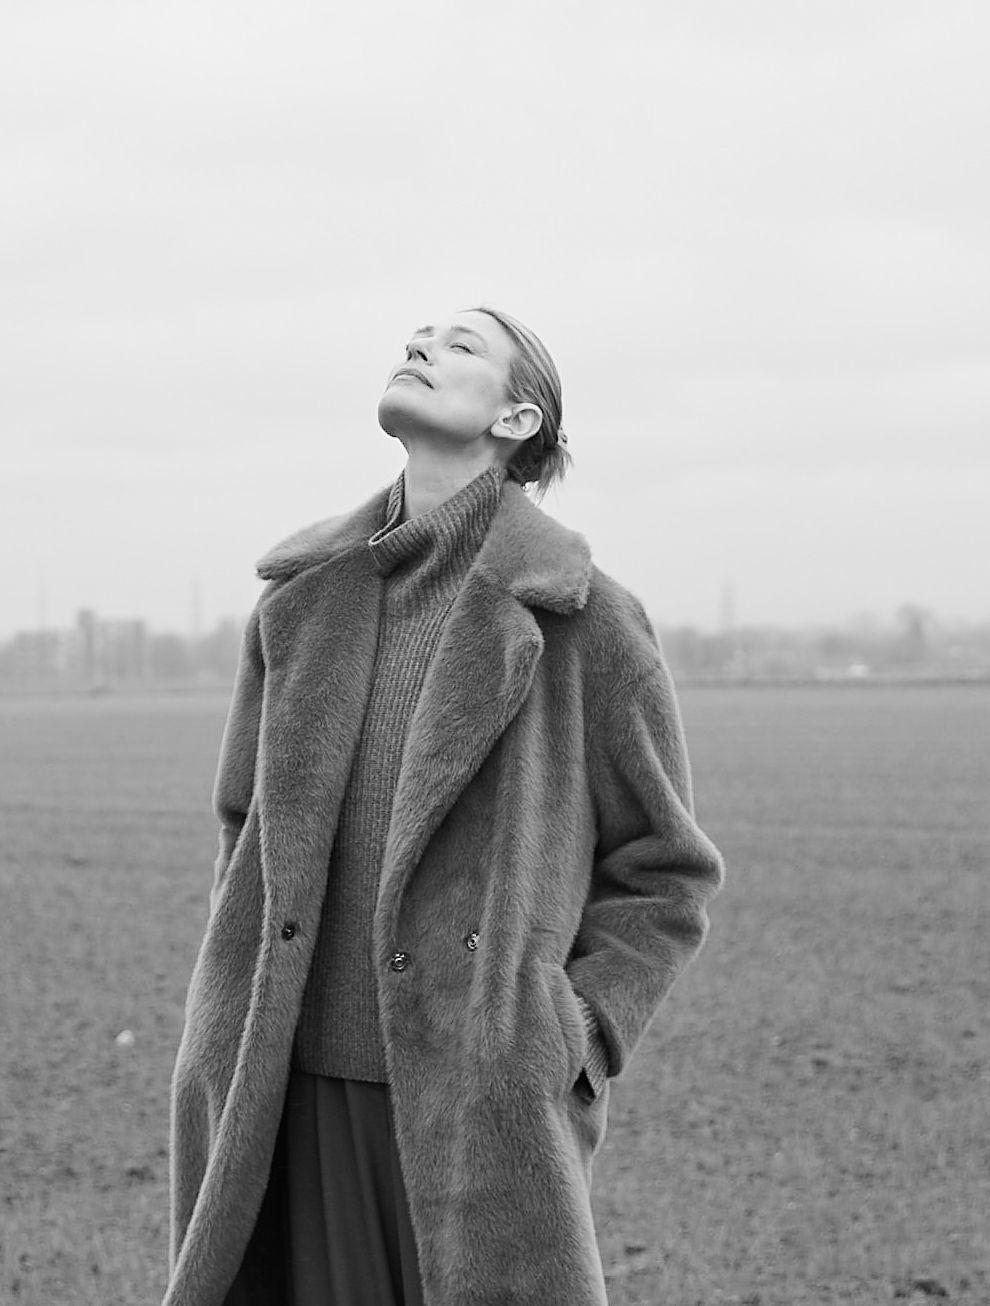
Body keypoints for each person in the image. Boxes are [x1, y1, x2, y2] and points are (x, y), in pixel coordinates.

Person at [163, 307, 724, 1306]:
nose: (420, 346)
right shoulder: (297, 602)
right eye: (418, 336)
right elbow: (243, 826)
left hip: (474, 1102)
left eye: (460, 345)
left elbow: (666, 873)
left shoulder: (585, 618)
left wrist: (569, 1035)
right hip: (278, 1087)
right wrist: (231, 998)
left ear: (517, 418)